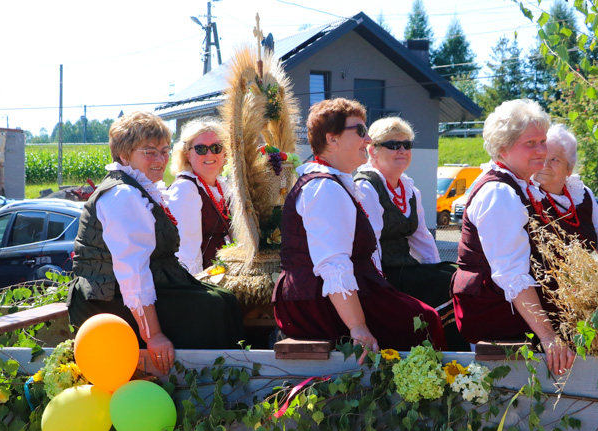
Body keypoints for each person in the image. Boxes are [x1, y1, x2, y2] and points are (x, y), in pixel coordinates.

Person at [69, 111, 243, 372]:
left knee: (227, 299)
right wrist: (154, 335)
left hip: (135, 287)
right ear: (124, 154)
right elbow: (132, 272)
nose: (160, 159)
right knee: (211, 308)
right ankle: (207, 385)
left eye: (163, 151)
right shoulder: (122, 194)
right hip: (106, 297)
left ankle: (233, 375)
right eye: (149, 152)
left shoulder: (142, 187)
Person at [272, 98, 445, 360]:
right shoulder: (324, 187)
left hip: (331, 292)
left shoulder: (335, 182)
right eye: (361, 131)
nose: (368, 140)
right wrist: (358, 327)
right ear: (332, 139)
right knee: (423, 322)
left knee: (427, 314)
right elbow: (333, 263)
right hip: (316, 300)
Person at [452, 100, 598, 375]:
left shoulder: (521, 184)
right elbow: (511, 274)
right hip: (492, 308)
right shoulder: (499, 193)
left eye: (542, 141)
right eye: (530, 143)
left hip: (505, 303)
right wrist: (548, 336)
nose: (541, 151)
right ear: (503, 147)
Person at [355, 117, 469, 351]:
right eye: (393, 144)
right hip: (380, 274)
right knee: (446, 282)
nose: (402, 150)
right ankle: (454, 351)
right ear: (372, 150)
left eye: (407, 145)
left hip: (405, 270)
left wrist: (434, 269)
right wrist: (380, 287)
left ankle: (459, 350)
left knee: (458, 277)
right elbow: (371, 243)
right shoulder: (366, 186)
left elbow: (423, 240)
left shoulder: (409, 190)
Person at [164, 118, 232, 275]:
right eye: (201, 149)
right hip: (203, 279)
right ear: (188, 154)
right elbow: (185, 252)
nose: (209, 154)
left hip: (222, 274)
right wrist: (197, 286)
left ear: (224, 152)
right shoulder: (185, 189)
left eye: (216, 147)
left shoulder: (223, 186)